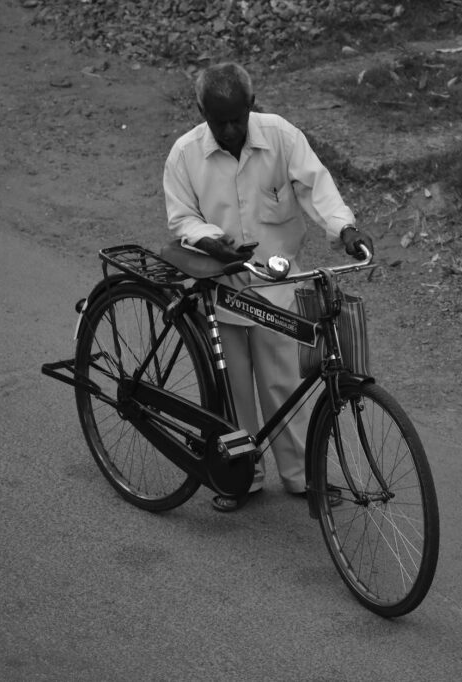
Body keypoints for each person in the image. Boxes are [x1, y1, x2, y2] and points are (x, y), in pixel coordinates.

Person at [162, 62, 374, 512]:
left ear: (251, 107)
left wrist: (345, 229)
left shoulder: (280, 136)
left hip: (278, 289)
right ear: (200, 111)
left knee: (285, 386)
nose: (230, 128)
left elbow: (317, 186)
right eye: (218, 120)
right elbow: (181, 218)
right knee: (233, 391)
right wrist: (210, 242)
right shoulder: (184, 155)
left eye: (237, 117)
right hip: (221, 289)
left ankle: (300, 477)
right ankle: (241, 476)